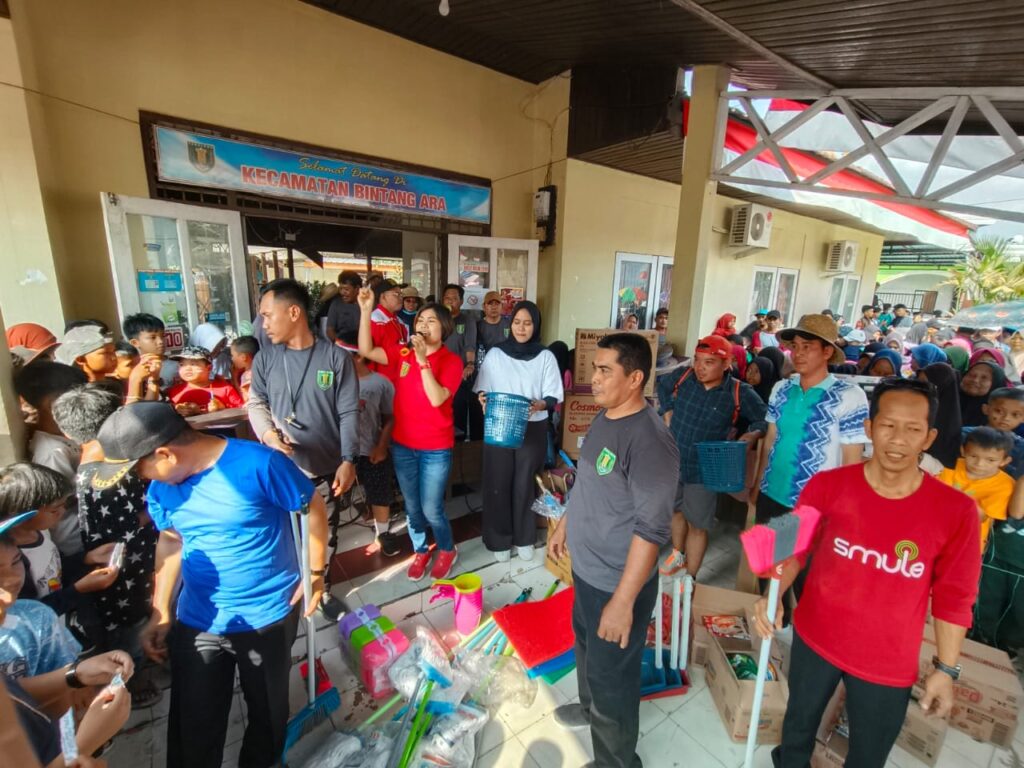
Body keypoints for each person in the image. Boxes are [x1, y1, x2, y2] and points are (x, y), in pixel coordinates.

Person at [753, 377, 980, 767]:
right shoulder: (826, 484)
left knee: (868, 754)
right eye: (888, 425)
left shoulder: (956, 511)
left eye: (913, 429)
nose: (898, 439)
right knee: (797, 728)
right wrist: (771, 594)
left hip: (888, 661)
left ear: (929, 437)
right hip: (815, 638)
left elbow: (954, 597)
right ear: (870, 428)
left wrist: (946, 669)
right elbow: (789, 545)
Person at [97, 402, 328, 768]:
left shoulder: (260, 465)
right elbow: (171, 540)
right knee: (194, 722)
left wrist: (315, 573)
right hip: (199, 617)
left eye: (139, 470)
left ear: (165, 454)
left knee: (267, 712)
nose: (142, 479)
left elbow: (311, 506)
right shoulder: (162, 489)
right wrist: (161, 610)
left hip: (267, 614)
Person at [548, 333, 679, 768]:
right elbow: (587, 479)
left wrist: (623, 602)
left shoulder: (650, 442)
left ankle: (617, 762)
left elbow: (651, 530)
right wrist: (566, 522)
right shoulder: (606, 417)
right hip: (588, 570)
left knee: (614, 682)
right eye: (594, 368)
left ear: (635, 378)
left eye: (605, 370)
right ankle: (590, 710)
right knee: (588, 650)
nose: (594, 379)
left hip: (618, 583)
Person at [52, 385, 161, 705]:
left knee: (133, 617)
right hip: (126, 569)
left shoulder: (92, 462)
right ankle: (132, 679)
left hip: (124, 565)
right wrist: (159, 505)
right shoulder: (109, 473)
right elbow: (126, 524)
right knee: (131, 624)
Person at [357, 288, 463, 581]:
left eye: (431, 321)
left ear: (444, 327)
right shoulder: (401, 352)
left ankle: (447, 549)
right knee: (412, 507)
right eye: (420, 320)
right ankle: (421, 550)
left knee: (432, 509)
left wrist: (422, 360)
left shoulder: (451, 362)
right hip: (403, 445)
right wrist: (365, 311)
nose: (423, 325)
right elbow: (367, 350)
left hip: (435, 448)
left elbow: (437, 398)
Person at [247, 278, 359, 519]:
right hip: (280, 471)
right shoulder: (264, 359)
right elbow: (256, 403)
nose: (263, 325)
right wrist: (268, 435)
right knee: (287, 537)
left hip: (326, 471)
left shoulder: (336, 358)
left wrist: (348, 460)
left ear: (294, 312)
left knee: (321, 538)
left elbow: (349, 412)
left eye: (268, 316)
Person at [658, 335, 766, 579]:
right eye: (697, 360)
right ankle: (678, 554)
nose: (700, 367)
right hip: (673, 461)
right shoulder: (684, 377)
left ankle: (691, 578)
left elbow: (764, 418)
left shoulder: (738, 392)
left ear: (726, 364)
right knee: (675, 511)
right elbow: (663, 386)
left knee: (698, 524)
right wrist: (667, 410)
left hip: (704, 470)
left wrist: (750, 435)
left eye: (708, 362)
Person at [754, 313, 869, 535]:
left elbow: (852, 462)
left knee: (802, 558)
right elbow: (770, 441)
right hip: (771, 494)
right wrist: (758, 484)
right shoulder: (781, 389)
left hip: (816, 506)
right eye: (795, 346)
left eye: (807, 346)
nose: (798, 353)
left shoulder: (849, 396)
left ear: (827, 352)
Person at [474, 302, 563, 562]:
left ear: (536, 325)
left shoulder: (545, 356)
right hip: (499, 422)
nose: (521, 328)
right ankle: (499, 538)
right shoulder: (495, 354)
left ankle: (524, 537)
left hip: (531, 425)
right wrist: (482, 398)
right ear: (509, 324)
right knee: (497, 481)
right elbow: (483, 388)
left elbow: (553, 395)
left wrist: (540, 405)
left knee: (525, 482)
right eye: (516, 322)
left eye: (527, 323)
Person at [0, 463, 118, 628]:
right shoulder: (13, 561)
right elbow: (31, 613)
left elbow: (53, 567)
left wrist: (87, 558)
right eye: (54, 510)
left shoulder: (41, 532)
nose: (63, 512)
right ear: (20, 514)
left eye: (65, 504)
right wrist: (78, 590)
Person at [14, 361, 88, 555]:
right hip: (76, 544)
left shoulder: (65, 438)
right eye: (76, 397)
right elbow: (59, 508)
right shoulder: (52, 453)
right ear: (51, 404)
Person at [349, 348, 401, 557]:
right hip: (343, 450)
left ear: (358, 355)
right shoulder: (333, 382)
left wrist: (381, 446)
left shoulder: (380, 383)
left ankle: (383, 533)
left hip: (372, 448)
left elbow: (390, 418)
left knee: (379, 491)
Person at [937, 427, 1014, 553]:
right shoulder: (949, 465)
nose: (979, 464)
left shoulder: (1005, 485)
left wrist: (956, 499)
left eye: (990, 460)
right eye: (973, 456)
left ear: (1005, 461)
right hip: (935, 529)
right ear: (963, 451)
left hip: (968, 542)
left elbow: (982, 517)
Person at [974, 478, 1024, 651]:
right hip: (1001, 553)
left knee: (1018, 616)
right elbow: (1016, 513)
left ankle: (1006, 650)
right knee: (985, 603)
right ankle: (978, 641)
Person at [442, 283, 479, 437]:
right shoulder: (438, 319)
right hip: (439, 374)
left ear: (461, 301)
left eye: (454, 298)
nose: (450, 301)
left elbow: (469, 346)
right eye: (447, 298)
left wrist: (470, 364)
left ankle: (459, 445)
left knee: (458, 414)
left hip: (459, 375)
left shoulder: (467, 320)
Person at [963, 386, 1024, 479]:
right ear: (986, 409)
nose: (1006, 418)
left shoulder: (1021, 447)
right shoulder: (964, 434)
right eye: (999, 411)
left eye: (1015, 414)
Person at [166, 346, 244, 416]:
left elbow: (241, 411)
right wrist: (176, 410)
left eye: (193, 364)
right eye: (182, 365)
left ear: (209, 368)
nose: (187, 369)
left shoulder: (225, 389)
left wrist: (223, 408)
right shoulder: (174, 392)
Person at [916, 362, 962, 470]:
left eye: (926, 384)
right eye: (917, 383)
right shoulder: (914, 407)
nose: (919, 389)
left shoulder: (948, 424)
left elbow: (944, 463)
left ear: (941, 388)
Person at [367, 278, 410, 382]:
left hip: (398, 381)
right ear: (383, 297)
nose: (400, 298)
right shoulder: (375, 320)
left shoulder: (398, 321)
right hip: (381, 384)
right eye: (396, 294)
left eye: (401, 294)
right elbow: (368, 357)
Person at [123, 312, 175, 393]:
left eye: (163, 336)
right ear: (135, 343)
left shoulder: (178, 365)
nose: (160, 341)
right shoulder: (133, 369)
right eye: (153, 337)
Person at [960, 360, 1007, 427]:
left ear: (995, 384)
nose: (975, 380)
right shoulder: (949, 398)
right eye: (971, 375)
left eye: (984, 378)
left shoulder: (1000, 418)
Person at [326, 270, 363, 345]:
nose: (342, 293)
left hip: (362, 345)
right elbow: (330, 329)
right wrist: (339, 343)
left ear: (357, 289)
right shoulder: (336, 304)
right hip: (341, 345)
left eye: (346, 289)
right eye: (341, 289)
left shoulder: (366, 306)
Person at [476, 290, 511, 365]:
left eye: (497, 303)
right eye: (490, 303)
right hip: (485, 366)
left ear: (502, 306)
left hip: (505, 365)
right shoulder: (477, 326)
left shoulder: (510, 324)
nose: (494, 307)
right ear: (484, 306)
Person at [229, 335, 259, 402]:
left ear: (243, 357)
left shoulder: (248, 376)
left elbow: (246, 399)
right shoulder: (260, 370)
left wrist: (235, 378)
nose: (232, 359)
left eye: (232, 355)